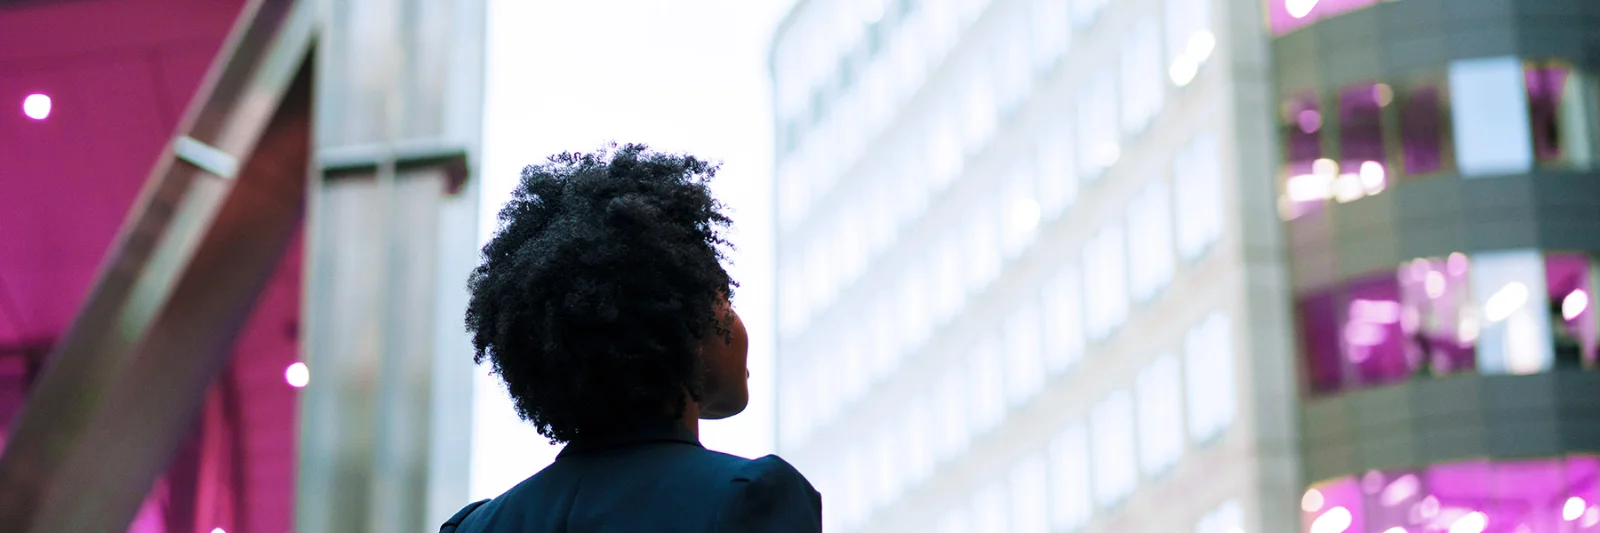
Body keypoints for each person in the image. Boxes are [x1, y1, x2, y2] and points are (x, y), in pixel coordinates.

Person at [443, 144, 821, 533]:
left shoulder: (476, 526)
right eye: (726, 298)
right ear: (685, 321)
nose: (739, 322)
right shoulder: (749, 497)